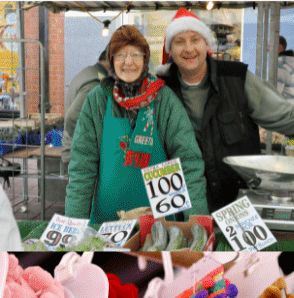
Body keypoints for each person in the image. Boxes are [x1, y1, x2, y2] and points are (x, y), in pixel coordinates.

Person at [157, 8, 294, 211]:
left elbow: (287, 118)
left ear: (207, 44)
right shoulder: (159, 91)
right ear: (170, 49)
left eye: (195, 39)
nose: (188, 48)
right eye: (179, 41)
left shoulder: (236, 80)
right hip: (181, 208)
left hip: (236, 204)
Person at [64, 25, 208, 225]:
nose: (128, 62)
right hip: (108, 225)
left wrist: (198, 224)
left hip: (161, 225)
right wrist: (73, 225)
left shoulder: (164, 99)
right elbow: (82, 168)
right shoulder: (97, 100)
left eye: (136, 54)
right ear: (112, 61)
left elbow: (189, 163)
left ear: (145, 59)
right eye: (120, 55)